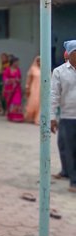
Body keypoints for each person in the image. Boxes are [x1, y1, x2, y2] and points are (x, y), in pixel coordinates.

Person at [50, 41, 76, 193]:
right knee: (67, 147)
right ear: (70, 54)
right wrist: (52, 116)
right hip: (67, 116)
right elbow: (53, 95)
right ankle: (72, 178)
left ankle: (71, 175)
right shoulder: (59, 72)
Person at [3, 56, 24, 122]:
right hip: (9, 89)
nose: (17, 64)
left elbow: (20, 79)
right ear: (12, 62)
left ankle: (17, 117)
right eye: (16, 62)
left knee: (16, 101)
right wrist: (11, 80)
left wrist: (18, 80)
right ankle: (11, 116)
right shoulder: (7, 69)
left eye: (18, 62)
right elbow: (4, 78)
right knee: (10, 103)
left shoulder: (18, 70)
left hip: (16, 89)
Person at [24, 56, 41, 124]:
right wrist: (27, 88)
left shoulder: (46, 69)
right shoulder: (33, 69)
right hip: (34, 89)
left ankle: (38, 119)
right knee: (33, 103)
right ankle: (30, 117)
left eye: (40, 61)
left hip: (43, 89)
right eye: (38, 61)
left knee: (41, 103)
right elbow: (29, 79)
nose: (39, 62)